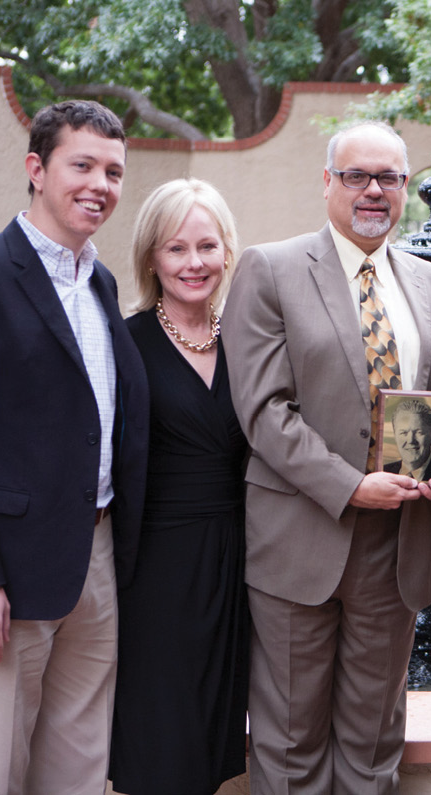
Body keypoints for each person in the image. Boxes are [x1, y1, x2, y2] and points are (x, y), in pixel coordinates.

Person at [0, 100, 149, 793]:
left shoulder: (102, 282)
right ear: (36, 169)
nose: (100, 185)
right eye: (82, 165)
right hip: (2, 575)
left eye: (113, 171)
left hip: (96, 558)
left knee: (79, 768)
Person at [224, 120, 431, 794]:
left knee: (373, 733)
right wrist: (351, 486)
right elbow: (264, 411)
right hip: (300, 538)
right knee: (291, 736)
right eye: (356, 175)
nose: (373, 190)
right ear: (327, 182)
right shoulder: (270, 268)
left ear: (405, 187)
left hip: (398, 541)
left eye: (388, 177)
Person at [109, 179, 250, 795]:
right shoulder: (124, 344)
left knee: (214, 733)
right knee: (161, 736)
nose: (194, 263)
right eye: (176, 249)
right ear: (150, 258)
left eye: (207, 246)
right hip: (155, 569)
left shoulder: (251, 342)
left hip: (239, 559)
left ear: (227, 252)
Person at [384, 398, 431, 480]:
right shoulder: (384, 472)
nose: (410, 440)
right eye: (403, 433)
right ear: (395, 435)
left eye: (419, 432)